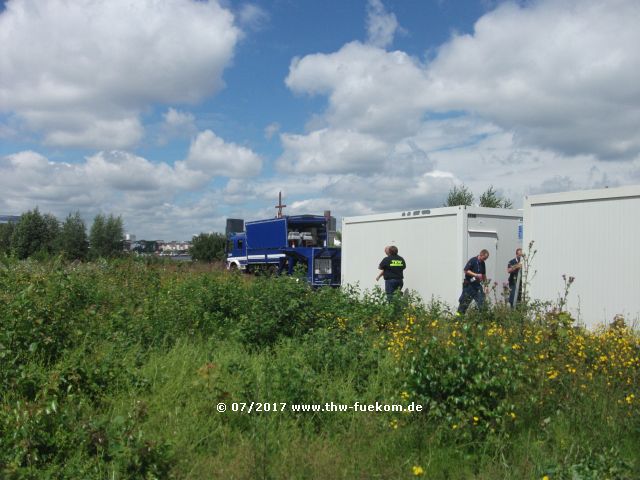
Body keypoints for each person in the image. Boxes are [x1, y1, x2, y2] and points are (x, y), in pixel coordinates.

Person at [456, 249, 490, 315]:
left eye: (486, 258)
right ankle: (458, 319)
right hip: (469, 286)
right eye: (484, 258)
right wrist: (476, 275)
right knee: (464, 304)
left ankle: (483, 319)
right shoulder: (473, 260)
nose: (485, 260)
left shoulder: (483, 263)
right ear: (481, 255)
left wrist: (486, 286)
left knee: (482, 302)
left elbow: (484, 275)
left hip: (477, 286)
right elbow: (466, 270)